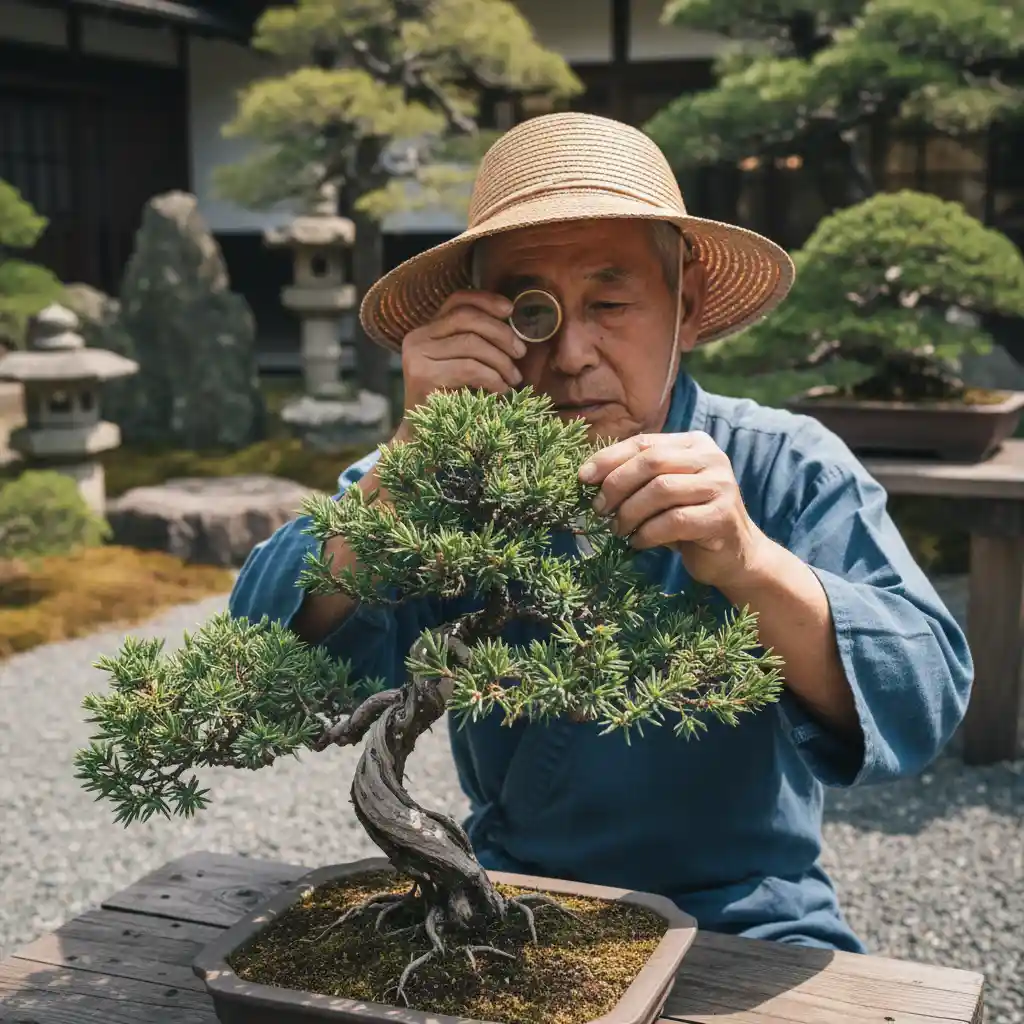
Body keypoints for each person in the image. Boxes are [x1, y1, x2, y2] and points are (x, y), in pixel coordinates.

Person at [230, 112, 972, 953]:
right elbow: (257, 660)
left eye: (611, 302)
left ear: (686, 309)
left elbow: (924, 691)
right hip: (514, 904)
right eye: (532, 312)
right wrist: (407, 464)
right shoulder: (443, 474)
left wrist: (750, 563)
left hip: (748, 914)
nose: (573, 352)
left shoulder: (783, 467)